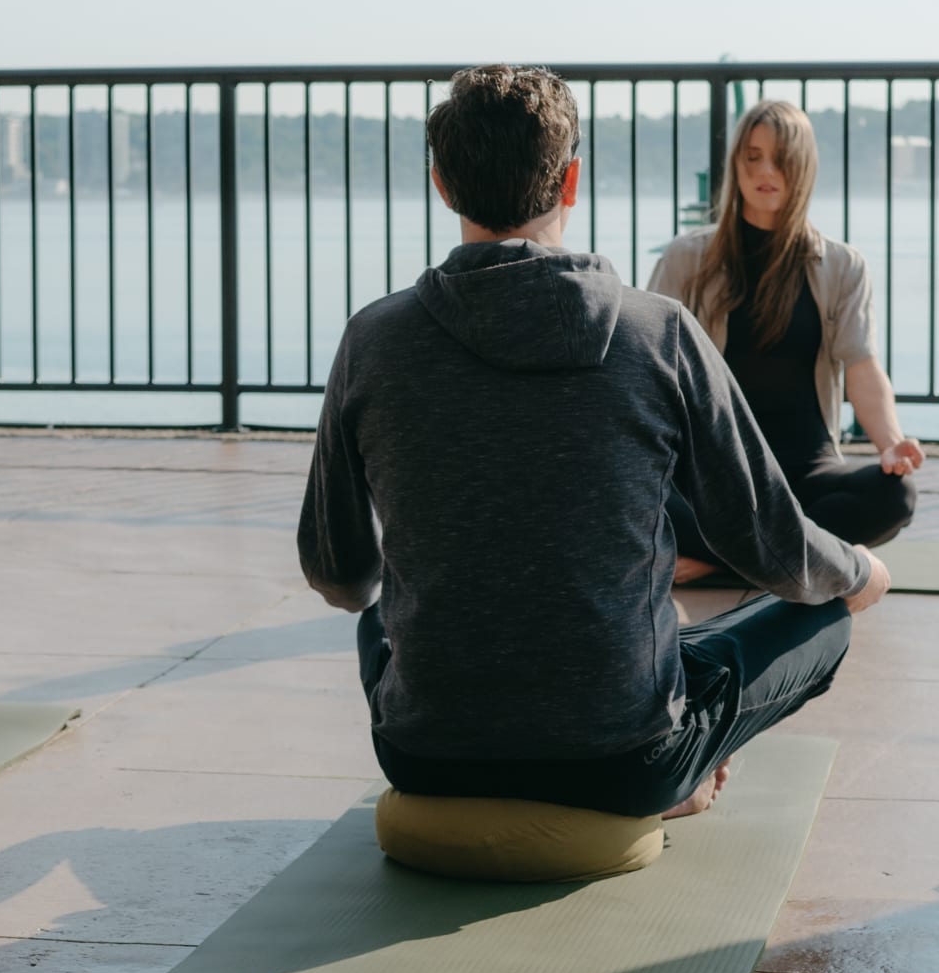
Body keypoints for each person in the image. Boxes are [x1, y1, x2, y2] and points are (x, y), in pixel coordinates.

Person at [300, 65, 892, 822]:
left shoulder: (371, 339)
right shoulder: (660, 333)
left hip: (426, 757)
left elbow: (341, 577)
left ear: (442, 183)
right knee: (822, 611)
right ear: (571, 179)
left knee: (378, 616)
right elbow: (773, 546)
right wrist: (859, 569)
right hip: (625, 763)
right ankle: (683, 770)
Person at [647, 100, 924, 584]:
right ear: (736, 164)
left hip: (808, 476)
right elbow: (648, 365)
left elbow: (861, 366)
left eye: (781, 158)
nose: (766, 170)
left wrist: (891, 444)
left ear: (805, 166)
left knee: (895, 497)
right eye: (752, 157)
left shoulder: (842, 266)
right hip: (716, 478)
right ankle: (796, 557)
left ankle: (719, 564)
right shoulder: (687, 258)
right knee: (638, 494)